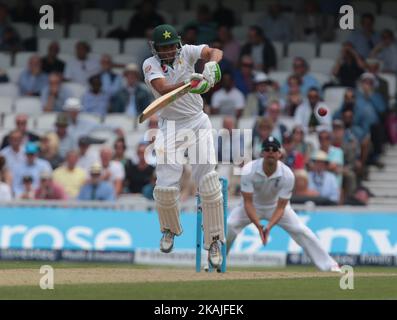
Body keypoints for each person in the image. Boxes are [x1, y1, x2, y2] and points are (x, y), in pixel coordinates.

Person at [142, 24, 225, 268]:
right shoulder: (150, 64)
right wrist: (191, 82)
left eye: (171, 46)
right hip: (170, 126)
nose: (168, 51)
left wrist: (211, 65)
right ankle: (169, 228)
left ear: (177, 44)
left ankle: (215, 241)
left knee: (208, 182)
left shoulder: (187, 52)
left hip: (197, 121)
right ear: (156, 49)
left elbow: (214, 51)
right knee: (166, 186)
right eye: (163, 48)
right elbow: (163, 89)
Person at [226, 136, 341, 272]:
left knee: (301, 230)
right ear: (262, 153)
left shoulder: (287, 175)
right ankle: (216, 261)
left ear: (279, 154)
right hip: (252, 206)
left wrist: (268, 227)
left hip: (276, 207)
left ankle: (329, 265)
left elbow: (281, 207)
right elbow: (248, 203)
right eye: (267, 149)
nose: (270, 152)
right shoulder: (249, 170)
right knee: (229, 226)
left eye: (274, 150)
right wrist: (258, 226)